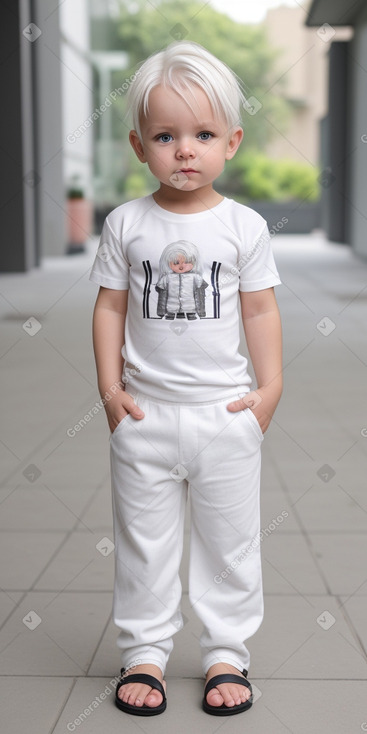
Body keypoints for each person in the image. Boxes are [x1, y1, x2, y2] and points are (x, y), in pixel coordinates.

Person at [89, 40, 282, 717]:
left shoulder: (242, 226)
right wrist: (110, 392)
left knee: (227, 540)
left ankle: (226, 650)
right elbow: (110, 304)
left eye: (202, 134)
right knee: (145, 540)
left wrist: (268, 391)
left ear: (230, 141)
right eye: (166, 136)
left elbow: (258, 307)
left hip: (223, 415)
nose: (184, 150)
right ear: (141, 146)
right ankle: (144, 650)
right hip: (144, 416)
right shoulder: (126, 223)